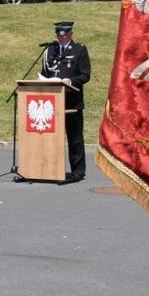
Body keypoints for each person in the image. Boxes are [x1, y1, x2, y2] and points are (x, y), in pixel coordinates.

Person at [42, 20, 92, 181]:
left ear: (70, 34)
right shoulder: (51, 50)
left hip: (72, 102)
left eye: (64, 35)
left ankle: (78, 171)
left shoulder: (79, 50)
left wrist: (71, 81)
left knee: (74, 138)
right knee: (51, 138)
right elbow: (45, 72)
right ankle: (51, 168)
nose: (61, 38)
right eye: (58, 35)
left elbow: (85, 75)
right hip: (52, 103)